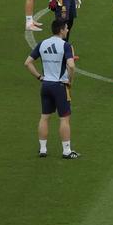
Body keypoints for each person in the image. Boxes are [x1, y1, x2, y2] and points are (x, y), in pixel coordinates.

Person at [24, 18, 78, 159]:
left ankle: (43, 149)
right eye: (66, 27)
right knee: (64, 118)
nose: (67, 29)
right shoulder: (66, 46)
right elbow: (71, 66)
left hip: (46, 85)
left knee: (44, 117)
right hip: (60, 86)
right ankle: (66, 151)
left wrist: (39, 77)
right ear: (61, 30)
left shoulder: (43, 44)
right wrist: (70, 80)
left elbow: (28, 63)